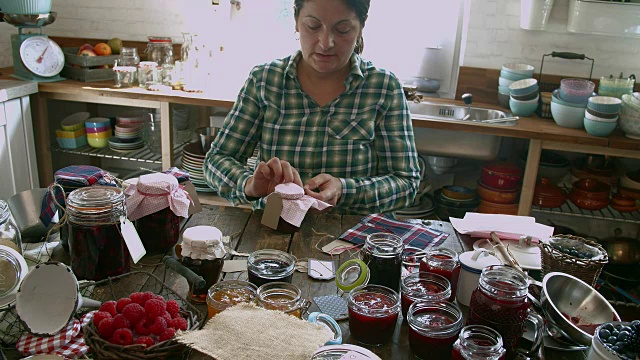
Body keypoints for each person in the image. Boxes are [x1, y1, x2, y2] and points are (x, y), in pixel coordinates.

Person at [204, 0, 421, 215]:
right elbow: (217, 160)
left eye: (342, 29)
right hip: (274, 224)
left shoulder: (383, 86)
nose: (325, 43)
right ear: (296, 21)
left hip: (352, 236)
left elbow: (406, 183)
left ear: (361, 26)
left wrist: (344, 189)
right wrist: (249, 185)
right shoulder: (265, 80)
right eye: (313, 26)